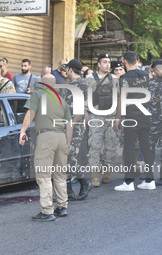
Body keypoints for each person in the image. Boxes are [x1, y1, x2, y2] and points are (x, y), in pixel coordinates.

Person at [19, 74, 72, 222]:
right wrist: (67, 143)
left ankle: (47, 210)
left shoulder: (38, 94)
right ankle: (62, 207)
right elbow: (69, 125)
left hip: (46, 137)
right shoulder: (62, 100)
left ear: (42, 83)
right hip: (61, 137)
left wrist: (22, 131)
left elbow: (30, 113)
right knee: (60, 175)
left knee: (44, 175)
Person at [114, 51, 156, 191]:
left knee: (129, 148)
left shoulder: (125, 77)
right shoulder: (145, 75)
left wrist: (117, 117)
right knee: (146, 147)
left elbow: (122, 98)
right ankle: (150, 180)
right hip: (145, 114)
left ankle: (129, 182)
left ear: (124, 61)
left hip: (131, 116)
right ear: (136, 60)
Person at [85, 53, 119, 187]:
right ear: (99, 64)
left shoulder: (114, 79)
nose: (107, 64)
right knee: (95, 145)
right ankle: (94, 176)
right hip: (96, 116)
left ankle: (107, 174)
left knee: (111, 146)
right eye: (104, 62)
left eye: (109, 62)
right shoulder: (89, 78)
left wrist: (118, 118)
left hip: (111, 116)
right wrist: (86, 114)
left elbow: (118, 98)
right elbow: (84, 97)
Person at [62, 59, 92, 200]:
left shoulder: (81, 85)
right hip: (66, 125)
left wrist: (72, 124)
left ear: (70, 69)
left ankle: (85, 182)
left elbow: (80, 110)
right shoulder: (71, 84)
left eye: (66, 69)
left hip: (75, 126)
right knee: (64, 157)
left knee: (70, 156)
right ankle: (67, 191)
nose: (64, 71)